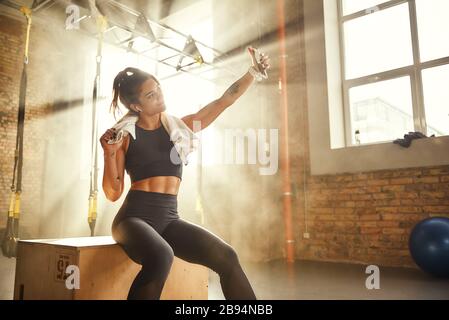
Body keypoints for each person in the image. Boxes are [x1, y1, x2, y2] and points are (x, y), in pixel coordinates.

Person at [100, 47, 270, 300]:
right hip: (132, 220)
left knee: (227, 257)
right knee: (161, 255)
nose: (159, 95)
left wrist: (253, 72)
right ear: (136, 105)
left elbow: (224, 101)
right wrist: (109, 153)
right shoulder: (123, 137)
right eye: (150, 94)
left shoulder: (179, 128)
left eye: (158, 88)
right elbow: (113, 193)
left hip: (169, 219)